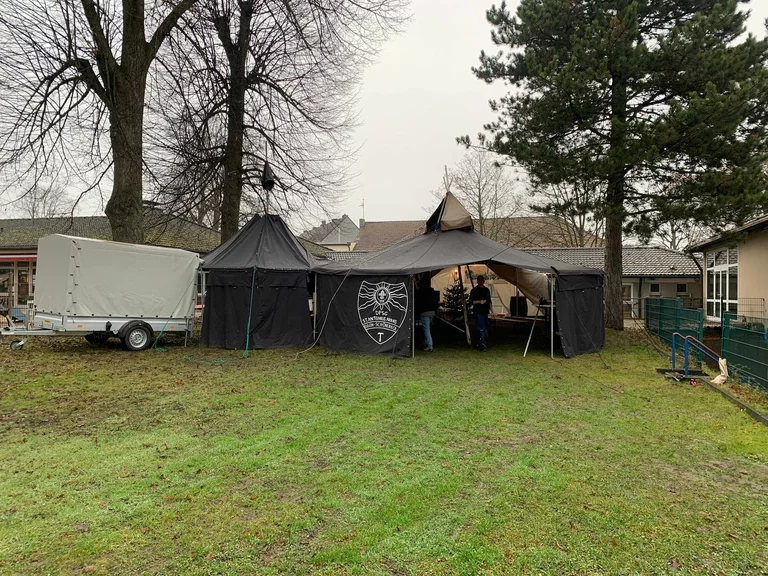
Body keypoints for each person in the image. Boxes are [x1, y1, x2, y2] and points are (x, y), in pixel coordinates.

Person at [469, 275, 493, 351]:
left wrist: (492, 311)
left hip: (485, 311)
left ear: (484, 281)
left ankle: (477, 343)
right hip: (478, 312)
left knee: (484, 328)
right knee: (482, 328)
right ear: (477, 281)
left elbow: (489, 301)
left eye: (482, 280)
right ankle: (483, 345)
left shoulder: (486, 290)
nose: (481, 281)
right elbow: (471, 302)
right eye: (480, 280)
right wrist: (479, 301)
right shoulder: (474, 290)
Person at [415, 277, 439, 351]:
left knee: (426, 329)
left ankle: (429, 345)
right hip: (432, 312)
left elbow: (418, 302)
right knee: (427, 328)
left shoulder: (420, 292)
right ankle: (425, 343)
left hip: (424, 312)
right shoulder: (432, 291)